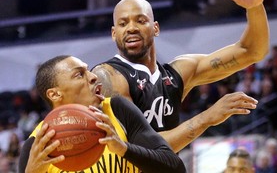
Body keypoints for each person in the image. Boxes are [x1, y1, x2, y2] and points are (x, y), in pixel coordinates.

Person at [91, 0, 268, 152]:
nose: (131, 28)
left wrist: (255, 7)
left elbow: (251, 51)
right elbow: (143, 147)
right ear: (113, 33)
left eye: (141, 21)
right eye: (123, 23)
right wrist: (207, 117)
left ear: (156, 28)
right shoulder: (108, 76)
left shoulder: (178, 73)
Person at [18, 55, 186, 173]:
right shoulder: (38, 144)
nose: (93, 76)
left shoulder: (117, 110)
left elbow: (176, 168)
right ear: (54, 94)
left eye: (88, 70)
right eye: (79, 74)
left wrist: (123, 148)